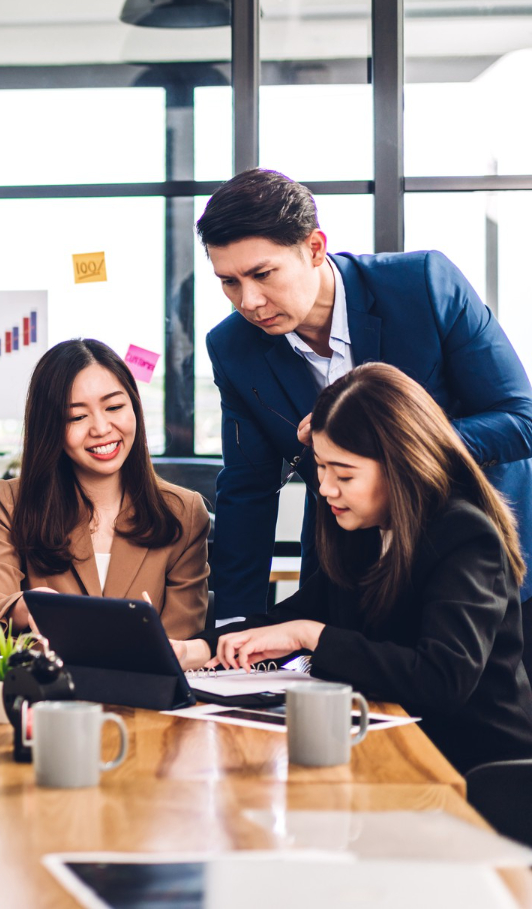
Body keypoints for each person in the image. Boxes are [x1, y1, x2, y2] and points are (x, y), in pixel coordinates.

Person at [199, 169, 532, 649]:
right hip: (346, 568)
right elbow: (248, 490)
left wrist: (389, 443)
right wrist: (231, 629)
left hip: (472, 559)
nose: (248, 302)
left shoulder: (421, 285)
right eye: (228, 282)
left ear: (314, 248)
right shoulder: (234, 347)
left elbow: (518, 420)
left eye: (262, 274)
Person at [174, 364, 532, 773]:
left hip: (478, 772)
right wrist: (195, 650)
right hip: (389, 752)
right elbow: (289, 617)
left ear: (402, 464)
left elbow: (440, 680)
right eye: (321, 468)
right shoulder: (361, 527)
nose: (325, 488)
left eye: (343, 473)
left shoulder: (464, 535)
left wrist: (310, 636)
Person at [0, 339, 210, 646]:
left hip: (143, 693)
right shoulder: (14, 502)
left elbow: (182, 646)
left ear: (134, 407)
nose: (100, 428)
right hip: (51, 692)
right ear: (51, 427)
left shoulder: (184, 512)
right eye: (77, 417)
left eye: (114, 407)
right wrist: (24, 607)